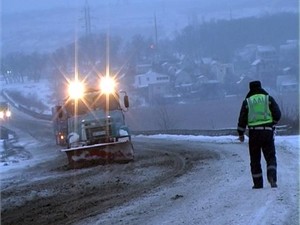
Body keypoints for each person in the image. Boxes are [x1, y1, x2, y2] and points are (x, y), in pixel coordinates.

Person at [237, 80, 281, 189]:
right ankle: (272, 177)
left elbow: (242, 119)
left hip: (254, 133)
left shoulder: (247, 102)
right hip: (267, 132)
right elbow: (277, 114)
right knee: (270, 156)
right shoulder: (268, 99)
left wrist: (241, 133)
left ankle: (257, 183)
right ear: (261, 87)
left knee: (255, 158)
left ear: (250, 89)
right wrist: (273, 123)